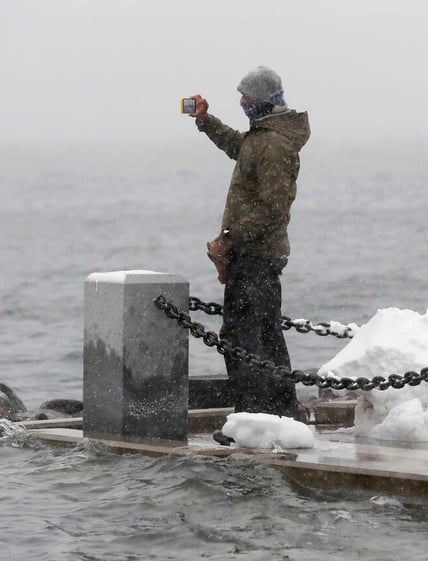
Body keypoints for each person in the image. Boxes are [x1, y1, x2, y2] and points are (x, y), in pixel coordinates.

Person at [189, 66, 311, 425]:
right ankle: (280, 411)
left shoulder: (274, 144)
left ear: (265, 101)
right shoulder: (263, 137)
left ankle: (254, 418)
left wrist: (230, 238)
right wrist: (206, 120)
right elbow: (237, 146)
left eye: (247, 97)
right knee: (265, 336)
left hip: (256, 256)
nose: (242, 102)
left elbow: (273, 209)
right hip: (258, 255)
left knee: (243, 338)